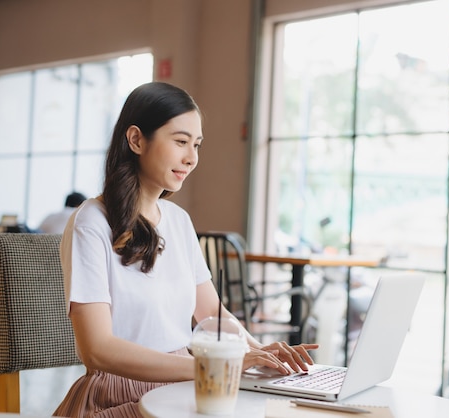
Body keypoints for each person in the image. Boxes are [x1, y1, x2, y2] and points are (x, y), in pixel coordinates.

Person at [53, 82, 318, 418]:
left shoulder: (178, 221)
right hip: (118, 393)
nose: (191, 158)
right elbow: (97, 350)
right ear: (136, 140)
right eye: (180, 141)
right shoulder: (91, 222)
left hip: (184, 387)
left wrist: (258, 350)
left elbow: (211, 313)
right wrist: (215, 365)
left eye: (196, 145)